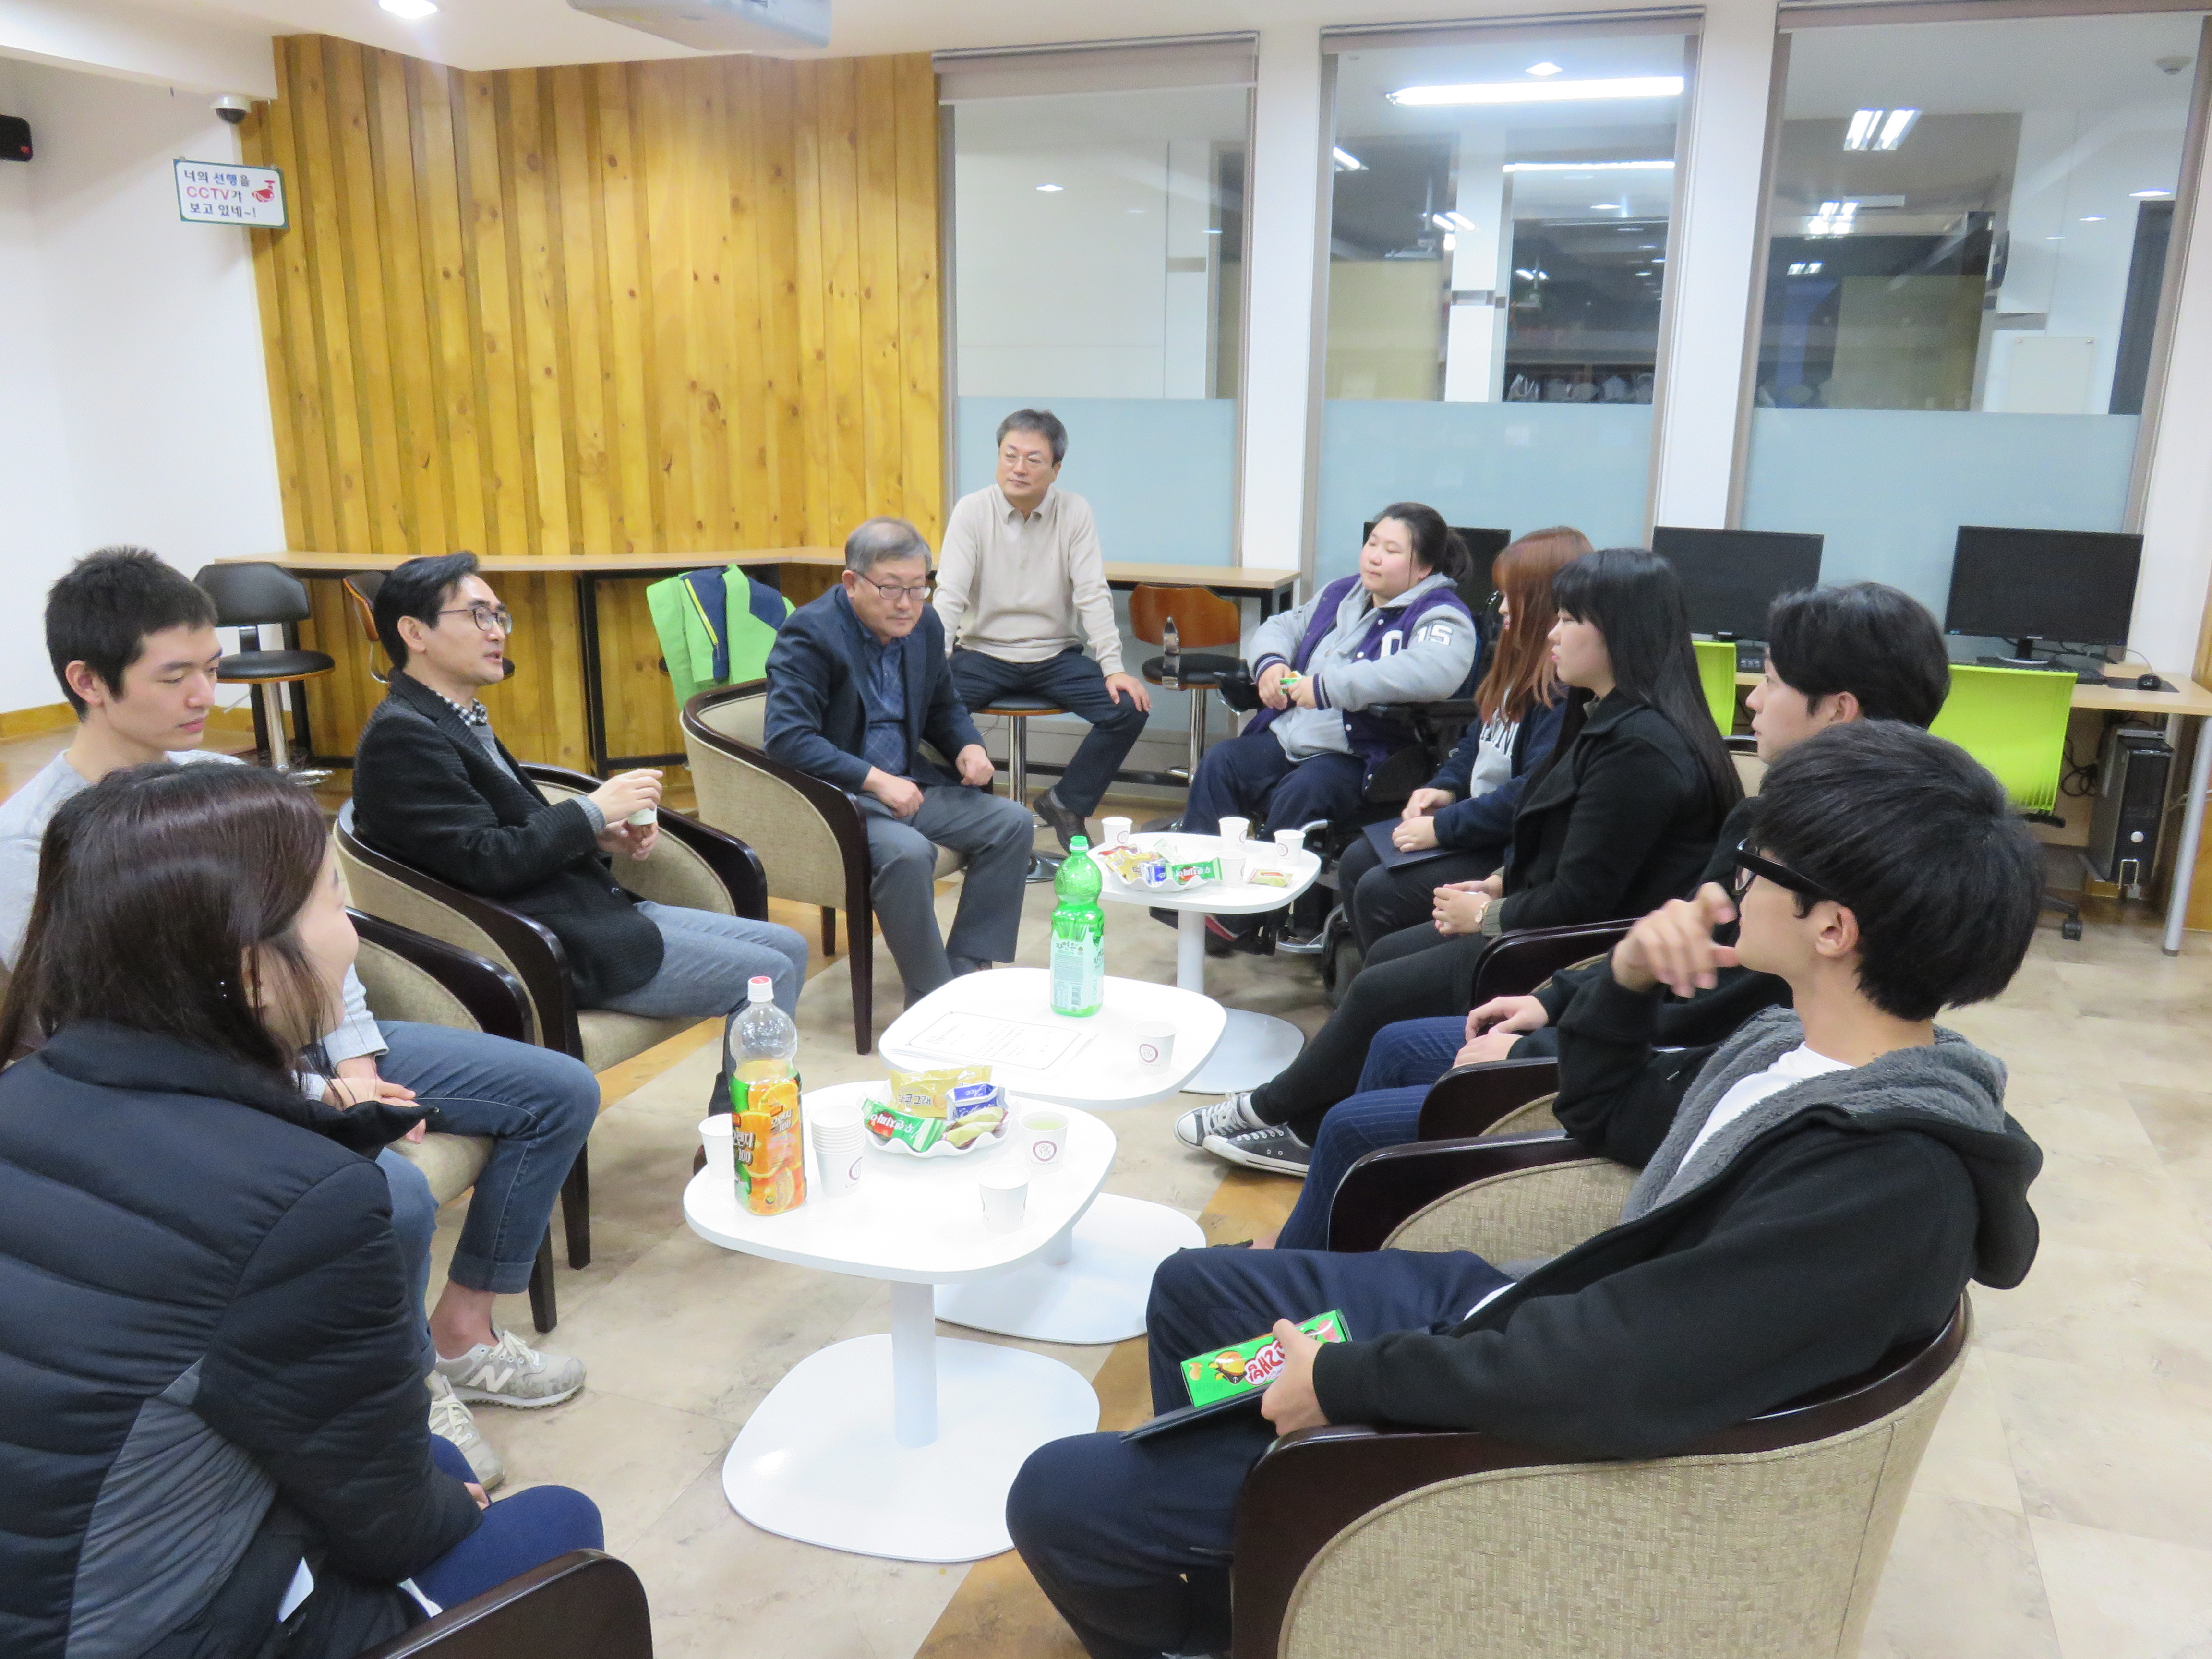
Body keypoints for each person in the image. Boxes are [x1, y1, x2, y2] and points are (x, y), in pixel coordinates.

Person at [1006, 719, 2045, 1659]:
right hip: (1539, 1312)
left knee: (1059, 1495)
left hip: (1546, 1410)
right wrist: (1626, 979)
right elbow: (1605, 1114)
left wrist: (1347, 1384)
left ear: (1833, 929)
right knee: (1192, 1290)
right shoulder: (1792, 1049)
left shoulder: (1883, 1183)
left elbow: (1611, 1371)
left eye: (1760, 865)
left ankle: (1256, 1555)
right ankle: (1265, 1577)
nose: (1732, 880)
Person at [0, 548, 601, 1488]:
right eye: (175, 675)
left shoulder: (226, 784)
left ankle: (461, 1332)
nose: (207, 695)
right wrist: (312, 1093)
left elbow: (324, 932)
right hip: (205, 1092)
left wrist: (354, 1060)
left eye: (212, 668)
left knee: (557, 1090)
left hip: (315, 1047)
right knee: (395, 1194)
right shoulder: (35, 843)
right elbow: (107, 1040)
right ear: (88, 681)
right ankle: (405, 1383)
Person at [0, 760, 604, 1659]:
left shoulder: (24, 1092)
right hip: (143, 1631)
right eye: (335, 901)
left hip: (52, 1573)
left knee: (437, 1464)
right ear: (251, 971)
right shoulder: (302, 1200)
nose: (352, 934)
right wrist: (440, 1512)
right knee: (559, 1524)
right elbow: (391, 1527)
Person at [1269, 579, 1955, 1248]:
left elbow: (1708, 1030)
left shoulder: (1806, 863)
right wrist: (1555, 1000)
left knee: (1357, 1122)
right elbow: (1676, 956)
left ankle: (1307, 1265)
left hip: (1645, 1071)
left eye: (1771, 681)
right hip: (1627, 1035)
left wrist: (1535, 1045)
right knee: (1392, 1036)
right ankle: (1317, 1254)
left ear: (1838, 710)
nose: (1752, 699)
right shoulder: (1775, 820)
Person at [1181, 546, 1737, 1174]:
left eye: (1567, 620)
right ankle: (1309, 1118)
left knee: (1381, 986)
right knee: (1384, 956)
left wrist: (1487, 915)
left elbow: (1585, 898)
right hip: (1542, 916)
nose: (1551, 633)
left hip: (1565, 945)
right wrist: (1499, 880)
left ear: (1618, 633)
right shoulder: (1603, 715)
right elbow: (1559, 836)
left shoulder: (1640, 750)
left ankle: (1273, 1111)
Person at [353, 552, 812, 1030]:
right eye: (478, 616)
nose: (498, 632)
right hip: (550, 944)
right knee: (771, 972)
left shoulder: (450, 717)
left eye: (499, 616)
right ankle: (757, 1083)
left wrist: (595, 836)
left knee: (791, 946)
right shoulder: (402, 737)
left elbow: (499, 835)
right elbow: (485, 861)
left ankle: (757, 1079)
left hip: (589, 912)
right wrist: (591, 811)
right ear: (415, 633)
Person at [764, 517, 1037, 1003]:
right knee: (909, 854)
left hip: (910, 786)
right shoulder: (810, 633)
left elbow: (943, 705)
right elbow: (787, 739)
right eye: (891, 589)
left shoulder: (924, 626)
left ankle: (967, 966)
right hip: (841, 799)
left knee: (1012, 823)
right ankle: (932, 997)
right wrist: (874, 780)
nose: (907, 604)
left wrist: (968, 745)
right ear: (852, 582)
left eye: (918, 587)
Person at [1180, 505, 1480, 948]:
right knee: (1223, 761)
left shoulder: (1441, 614)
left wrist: (1327, 686)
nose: (1374, 556)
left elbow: (1433, 671)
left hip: (1359, 754)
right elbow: (1282, 626)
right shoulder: (1342, 593)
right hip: (1292, 734)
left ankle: (1247, 915)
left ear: (1423, 568)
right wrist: (1271, 664)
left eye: (1392, 550)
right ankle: (1196, 889)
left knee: (1303, 790)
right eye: (1372, 544)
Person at [1331, 526, 1588, 955]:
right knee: (1357, 860)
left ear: (1544, 603)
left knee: (1380, 892)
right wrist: (1446, 787)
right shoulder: (1514, 661)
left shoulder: (1562, 691)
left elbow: (1529, 795)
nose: (1502, 608)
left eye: (1513, 597)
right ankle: (1376, 975)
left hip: (1505, 843)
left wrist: (1442, 828)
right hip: (1477, 821)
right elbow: (1475, 740)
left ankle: (1397, 978)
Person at [935, 409, 1151, 850]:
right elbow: (949, 594)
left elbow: (1092, 592)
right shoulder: (972, 511)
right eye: (1010, 455)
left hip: (1055, 656)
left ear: (1056, 469)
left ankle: (1067, 801)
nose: (1019, 468)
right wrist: (933, 664)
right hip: (982, 653)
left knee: (1130, 708)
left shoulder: (1074, 511)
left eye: (1033, 460)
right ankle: (980, 814)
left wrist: (1113, 666)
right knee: (925, 709)